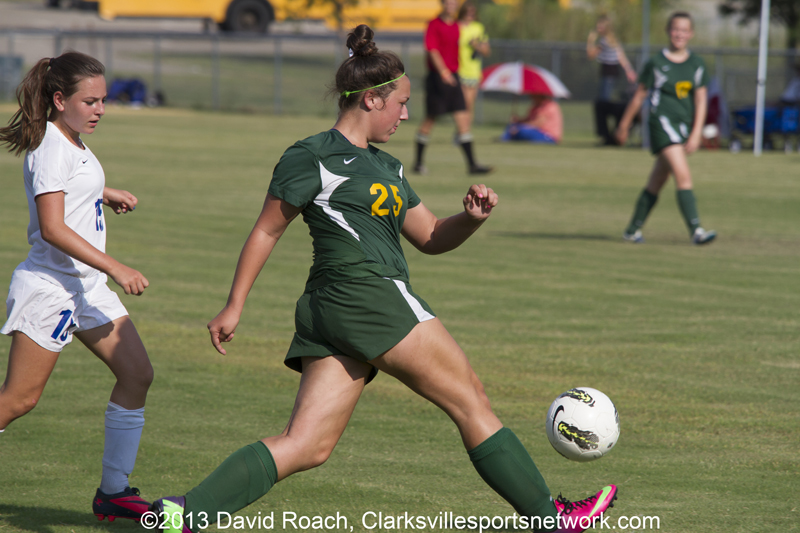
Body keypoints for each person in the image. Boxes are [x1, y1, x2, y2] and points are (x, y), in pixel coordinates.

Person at [148, 25, 617, 533]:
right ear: (371, 99)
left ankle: (182, 514)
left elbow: (431, 235)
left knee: (307, 445)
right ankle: (550, 519)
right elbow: (267, 229)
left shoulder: (387, 166)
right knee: (470, 399)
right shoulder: (312, 155)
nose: (406, 115)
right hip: (366, 294)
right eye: (402, 103)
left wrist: (471, 219)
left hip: (336, 310)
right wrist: (234, 304)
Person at [0, 51, 154, 522]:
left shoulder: (70, 139)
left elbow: (67, 189)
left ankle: (114, 492)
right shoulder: (51, 145)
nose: (100, 109)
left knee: (137, 374)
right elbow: (52, 228)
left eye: (103, 100)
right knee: (18, 400)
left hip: (85, 288)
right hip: (52, 288)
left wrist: (103, 194)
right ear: (60, 100)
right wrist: (117, 267)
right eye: (91, 102)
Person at [616, 12, 717, 245]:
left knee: (657, 181)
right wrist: (624, 125)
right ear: (668, 31)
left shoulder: (696, 64)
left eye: (684, 30)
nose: (679, 34)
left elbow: (701, 100)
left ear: (691, 34)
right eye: (675, 29)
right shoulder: (656, 63)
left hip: (683, 126)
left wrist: (696, 133)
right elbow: (639, 95)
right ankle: (696, 231)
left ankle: (632, 231)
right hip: (661, 123)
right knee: (683, 176)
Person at [414, 0, 492, 175]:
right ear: (443, 4)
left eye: (454, 3)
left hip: (454, 76)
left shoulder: (457, 26)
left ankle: (472, 165)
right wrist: (444, 72)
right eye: (449, 3)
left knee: (463, 117)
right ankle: (418, 163)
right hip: (438, 76)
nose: (452, 6)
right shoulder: (434, 24)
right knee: (430, 118)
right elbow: (432, 50)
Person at [586, 15, 637, 145]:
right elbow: (621, 56)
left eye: (600, 26)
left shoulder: (603, 41)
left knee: (603, 105)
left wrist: (590, 41)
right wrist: (629, 70)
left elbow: (590, 55)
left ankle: (608, 135)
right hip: (614, 73)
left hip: (608, 73)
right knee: (608, 102)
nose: (598, 28)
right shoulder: (613, 40)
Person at [457, 1, 490, 130]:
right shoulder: (456, 26)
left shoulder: (478, 28)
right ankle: (462, 131)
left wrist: (476, 45)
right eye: (467, 13)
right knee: (462, 104)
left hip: (473, 72)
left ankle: (464, 131)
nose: (469, 16)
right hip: (459, 69)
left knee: (469, 105)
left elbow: (486, 51)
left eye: (472, 14)